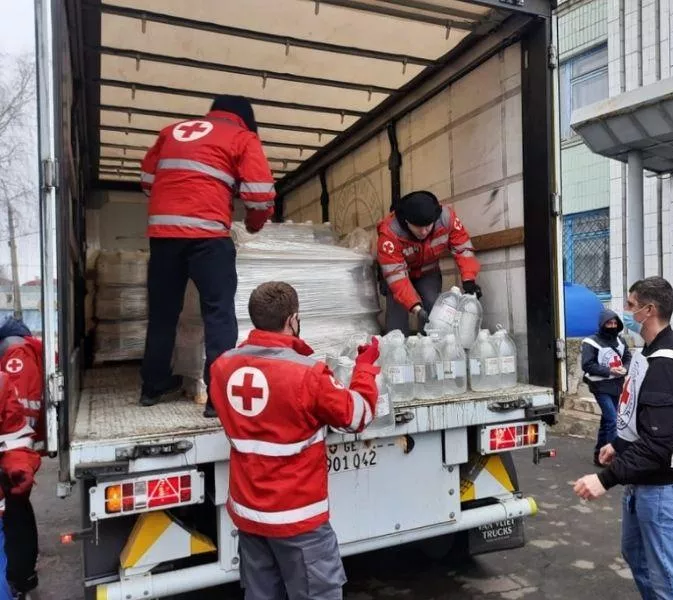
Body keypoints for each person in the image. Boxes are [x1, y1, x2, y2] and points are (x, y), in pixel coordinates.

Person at [209, 281, 380, 600]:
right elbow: (358, 416)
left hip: (249, 514)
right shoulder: (308, 374)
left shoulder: (222, 368)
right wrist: (365, 368)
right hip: (299, 519)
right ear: (292, 319)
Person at [139, 95, 276, 418]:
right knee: (218, 314)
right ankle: (218, 398)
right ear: (245, 119)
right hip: (209, 237)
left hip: (163, 237)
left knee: (162, 315)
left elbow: (147, 182)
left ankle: (152, 388)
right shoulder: (242, 137)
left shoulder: (171, 132)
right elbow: (259, 194)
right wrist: (254, 225)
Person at [574, 276, 673, 600]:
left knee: (669, 580)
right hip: (644, 481)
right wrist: (617, 444)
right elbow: (642, 416)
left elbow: (657, 445)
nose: (625, 312)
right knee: (637, 555)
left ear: (649, 310)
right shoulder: (650, 351)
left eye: (631, 305)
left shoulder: (666, 362)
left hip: (663, 486)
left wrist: (604, 480)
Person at [376, 190, 481, 334]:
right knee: (397, 316)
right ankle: (397, 349)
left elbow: (463, 249)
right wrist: (416, 308)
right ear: (406, 221)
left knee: (433, 307)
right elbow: (397, 277)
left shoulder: (446, 219)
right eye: (418, 227)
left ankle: (429, 349)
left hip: (428, 272)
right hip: (398, 277)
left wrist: (469, 279)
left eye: (428, 226)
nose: (424, 232)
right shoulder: (390, 233)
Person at [0, 317, 43, 597]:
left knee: (17, 520)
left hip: (8, 480)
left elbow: (15, 430)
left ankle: (21, 578)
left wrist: (18, 467)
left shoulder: (11, 370)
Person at [580, 308, 631, 466]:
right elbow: (587, 364)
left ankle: (599, 456)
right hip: (600, 386)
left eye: (615, 322)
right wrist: (609, 371)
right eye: (609, 322)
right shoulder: (591, 342)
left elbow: (628, 357)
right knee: (613, 420)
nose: (612, 325)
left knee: (607, 421)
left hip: (617, 385)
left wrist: (625, 368)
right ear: (602, 324)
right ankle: (612, 457)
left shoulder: (620, 341)